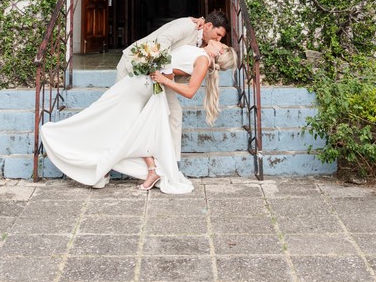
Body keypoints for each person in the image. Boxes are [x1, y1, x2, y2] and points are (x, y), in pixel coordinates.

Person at [40, 38, 238, 194]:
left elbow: (189, 91)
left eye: (222, 42)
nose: (219, 40)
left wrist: (162, 79)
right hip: (141, 82)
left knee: (107, 114)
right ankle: (120, 169)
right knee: (118, 120)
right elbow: (172, 71)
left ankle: (110, 167)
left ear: (221, 51)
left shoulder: (203, 60)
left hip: (143, 86)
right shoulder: (200, 52)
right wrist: (156, 64)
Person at [115, 11, 229, 160]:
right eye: (218, 34)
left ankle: (170, 163)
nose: (219, 39)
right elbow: (163, 41)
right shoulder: (189, 26)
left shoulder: (206, 49)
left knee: (175, 113)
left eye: (221, 38)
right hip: (135, 64)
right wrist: (167, 73)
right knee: (122, 113)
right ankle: (110, 162)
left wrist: (167, 77)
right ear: (208, 26)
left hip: (159, 78)